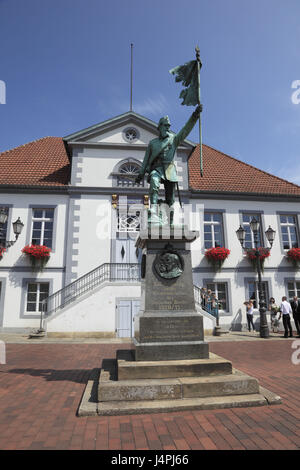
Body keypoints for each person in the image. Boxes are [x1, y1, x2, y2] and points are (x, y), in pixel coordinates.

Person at [135, 105, 202, 224]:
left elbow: (186, 130)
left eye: (169, 126)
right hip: (157, 168)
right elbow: (146, 160)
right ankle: (154, 211)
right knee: (154, 181)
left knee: (170, 198)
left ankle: (170, 221)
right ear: (160, 127)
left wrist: (195, 115)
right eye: (166, 125)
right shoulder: (153, 143)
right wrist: (140, 174)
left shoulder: (174, 139)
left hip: (169, 169)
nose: (168, 127)